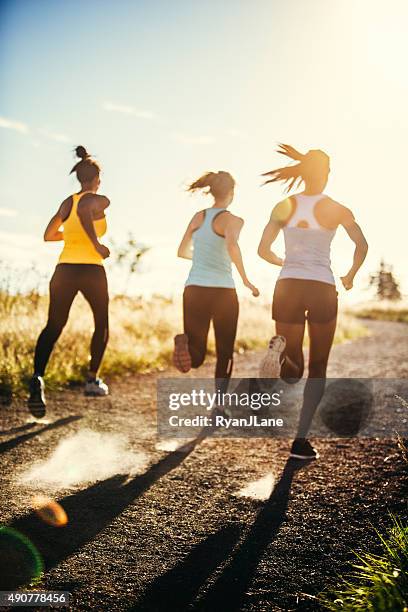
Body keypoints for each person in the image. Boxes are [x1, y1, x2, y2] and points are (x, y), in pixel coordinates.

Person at [257, 144, 368, 459]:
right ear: (328, 174)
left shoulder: (284, 205)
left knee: (293, 370)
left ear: (302, 173)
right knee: (318, 365)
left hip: (288, 284)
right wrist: (350, 275)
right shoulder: (337, 208)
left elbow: (262, 249)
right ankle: (300, 440)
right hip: (321, 285)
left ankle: (283, 354)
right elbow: (362, 244)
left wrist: (286, 263)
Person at [28, 146, 111, 418]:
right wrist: (96, 244)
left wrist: (73, 236)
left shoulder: (67, 202)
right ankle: (91, 379)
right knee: (101, 322)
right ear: (97, 178)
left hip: (64, 269)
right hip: (90, 269)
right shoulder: (98, 199)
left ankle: (37, 376)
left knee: (54, 324)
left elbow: (49, 235)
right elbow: (87, 212)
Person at [173, 171, 259, 391]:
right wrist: (247, 281)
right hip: (222, 292)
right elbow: (232, 246)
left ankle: (184, 345)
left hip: (194, 290)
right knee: (225, 352)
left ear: (211, 191)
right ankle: (220, 403)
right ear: (231, 193)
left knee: (197, 355)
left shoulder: (197, 217)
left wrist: (202, 256)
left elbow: (181, 252)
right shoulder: (234, 220)